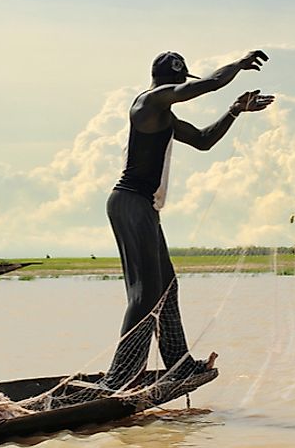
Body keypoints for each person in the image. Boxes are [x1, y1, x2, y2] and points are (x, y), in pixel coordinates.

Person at [103, 50, 275, 389]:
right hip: (130, 204)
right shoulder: (149, 103)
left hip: (144, 208)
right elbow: (210, 84)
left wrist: (234, 111)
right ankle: (119, 378)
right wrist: (238, 66)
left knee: (166, 288)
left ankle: (178, 366)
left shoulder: (164, 118)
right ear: (176, 81)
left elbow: (202, 141)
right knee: (146, 294)